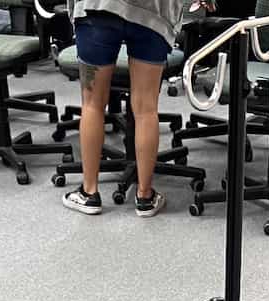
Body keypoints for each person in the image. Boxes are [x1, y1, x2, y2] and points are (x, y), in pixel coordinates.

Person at [64, 0, 188, 218]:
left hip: (97, 10)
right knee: (146, 109)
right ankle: (145, 196)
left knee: (92, 105)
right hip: (153, 14)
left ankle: (89, 192)